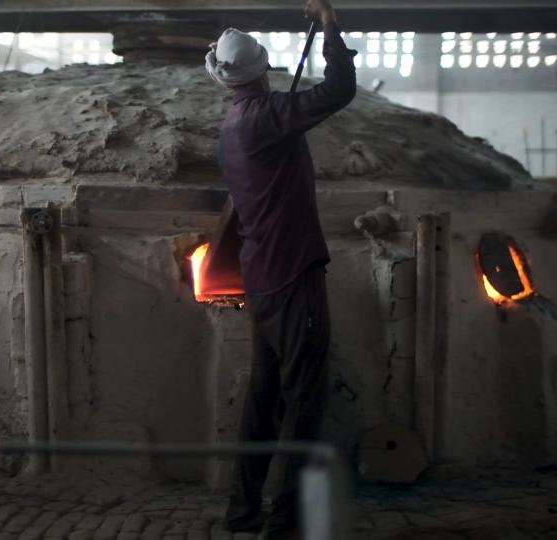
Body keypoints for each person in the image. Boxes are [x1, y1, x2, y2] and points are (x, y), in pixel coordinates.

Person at [206, 0, 356, 538]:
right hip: (293, 276)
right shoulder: (267, 118)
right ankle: (286, 522)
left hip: (262, 277)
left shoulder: (234, 124)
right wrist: (331, 23)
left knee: (263, 402)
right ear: (264, 67)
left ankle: (243, 512)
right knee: (305, 402)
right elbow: (339, 91)